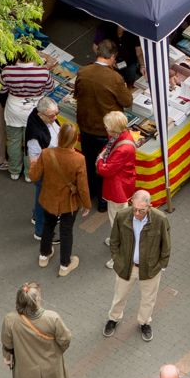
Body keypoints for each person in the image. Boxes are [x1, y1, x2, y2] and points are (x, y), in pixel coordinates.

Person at [105, 189, 172, 340]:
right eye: (134, 208)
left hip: (150, 269)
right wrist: (117, 259)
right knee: (119, 296)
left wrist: (161, 265)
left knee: (148, 299)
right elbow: (114, 240)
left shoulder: (160, 219)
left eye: (141, 210)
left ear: (150, 206)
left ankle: (144, 322)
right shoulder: (122, 216)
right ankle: (113, 319)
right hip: (126, 266)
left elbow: (166, 245)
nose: (136, 213)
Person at [74, 44, 133, 212]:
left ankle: (90, 192)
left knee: (89, 160)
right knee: (104, 164)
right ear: (112, 57)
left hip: (86, 127)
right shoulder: (115, 78)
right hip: (105, 131)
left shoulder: (83, 71)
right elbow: (127, 101)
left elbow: (77, 93)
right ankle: (102, 200)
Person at [29, 119, 92, 276]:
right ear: (75, 139)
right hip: (68, 202)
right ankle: (65, 264)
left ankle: (44, 255)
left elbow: (34, 176)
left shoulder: (46, 153)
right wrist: (87, 204)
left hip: (49, 197)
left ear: (59, 137)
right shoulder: (79, 159)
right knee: (66, 230)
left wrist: (33, 165)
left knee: (48, 225)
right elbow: (83, 186)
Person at [0, 51, 54, 182]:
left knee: (13, 141)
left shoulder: (7, 71)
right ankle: (29, 173)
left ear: (17, 56)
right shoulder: (43, 72)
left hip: (14, 110)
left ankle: (14, 171)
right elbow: (50, 88)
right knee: (32, 143)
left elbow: (1, 89)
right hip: (35, 111)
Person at [96, 113, 139, 238]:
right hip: (124, 181)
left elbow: (106, 170)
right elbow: (109, 147)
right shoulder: (122, 135)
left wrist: (99, 159)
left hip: (117, 186)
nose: (105, 129)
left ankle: (119, 243)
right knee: (121, 214)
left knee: (116, 217)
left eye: (107, 127)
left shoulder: (122, 148)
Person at [25, 93, 60, 242]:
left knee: (40, 197)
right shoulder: (35, 135)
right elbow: (34, 161)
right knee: (43, 201)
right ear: (41, 114)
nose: (55, 118)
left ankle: (36, 217)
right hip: (46, 171)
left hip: (51, 165)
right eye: (51, 116)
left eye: (56, 114)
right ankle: (40, 231)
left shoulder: (42, 119)